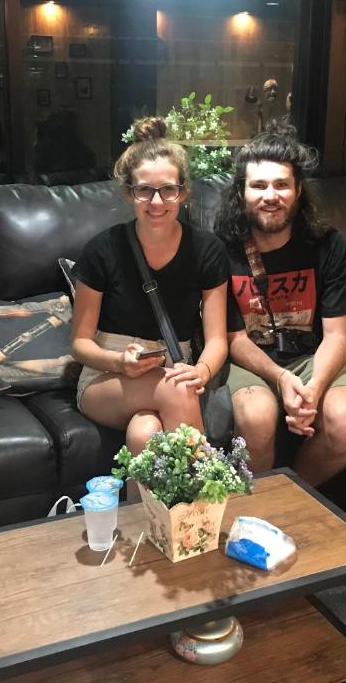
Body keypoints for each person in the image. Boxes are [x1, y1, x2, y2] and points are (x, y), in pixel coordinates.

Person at [213, 122, 346, 486]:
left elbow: (337, 335)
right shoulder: (221, 249)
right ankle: (258, 503)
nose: (271, 195)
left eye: (281, 184)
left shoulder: (328, 244)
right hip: (250, 359)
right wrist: (281, 378)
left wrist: (313, 389)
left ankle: (291, 496)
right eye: (258, 186)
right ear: (241, 192)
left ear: (298, 190)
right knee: (256, 415)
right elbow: (234, 339)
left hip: (312, 357)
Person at [71, 117, 229, 454]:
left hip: (174, 366)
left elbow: (217, 340)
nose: (156, 202)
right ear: (129, 193)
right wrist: (119, 362)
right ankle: (208, 484)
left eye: (168, 189)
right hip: (106, 377)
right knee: (177, 390)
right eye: (144, 190)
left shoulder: (207, 249)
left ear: (183, 192)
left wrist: (202, 371)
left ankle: (143, 494)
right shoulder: (102, 250)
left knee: (145, 433)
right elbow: (80, 344)